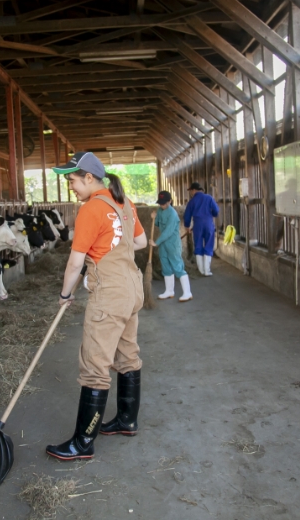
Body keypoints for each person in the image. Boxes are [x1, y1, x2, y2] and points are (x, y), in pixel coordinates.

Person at [46, 151, 147, 461]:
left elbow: (76, 262)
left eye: (73, 180)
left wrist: (65, 295)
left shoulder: (91, 210)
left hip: (110, 296)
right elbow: (140, 243)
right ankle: (127, 420)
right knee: (127, 355)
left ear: (89, 177)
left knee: (94, 365)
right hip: (132, 289)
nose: (71, 187)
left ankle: (82, 442)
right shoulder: (124, 203)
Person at [151, 190, 192, 302]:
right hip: (164, 244)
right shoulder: (160, 210)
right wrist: (154, 218)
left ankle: (187, 293)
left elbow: (168, 231)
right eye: (160, 203)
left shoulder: (173, 214)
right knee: (165, 266)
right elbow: (158, 223)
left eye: (164, 203)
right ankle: (169, 291)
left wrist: (156, 242)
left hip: (172, 243)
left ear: (170, 201)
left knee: (177, 266)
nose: (162, 205)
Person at [183, 182, 219, 276]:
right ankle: (207, 270)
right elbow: (216, 211)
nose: (190, 193)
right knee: (209, 244)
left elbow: (187, 216)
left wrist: (187, 226)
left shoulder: (192, 201)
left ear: (194, 190)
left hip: (197, 224)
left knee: (198, 245)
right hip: (208, 223)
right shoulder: (209, 198)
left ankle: (201, 270)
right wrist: (212, 215)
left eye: (191, 190)